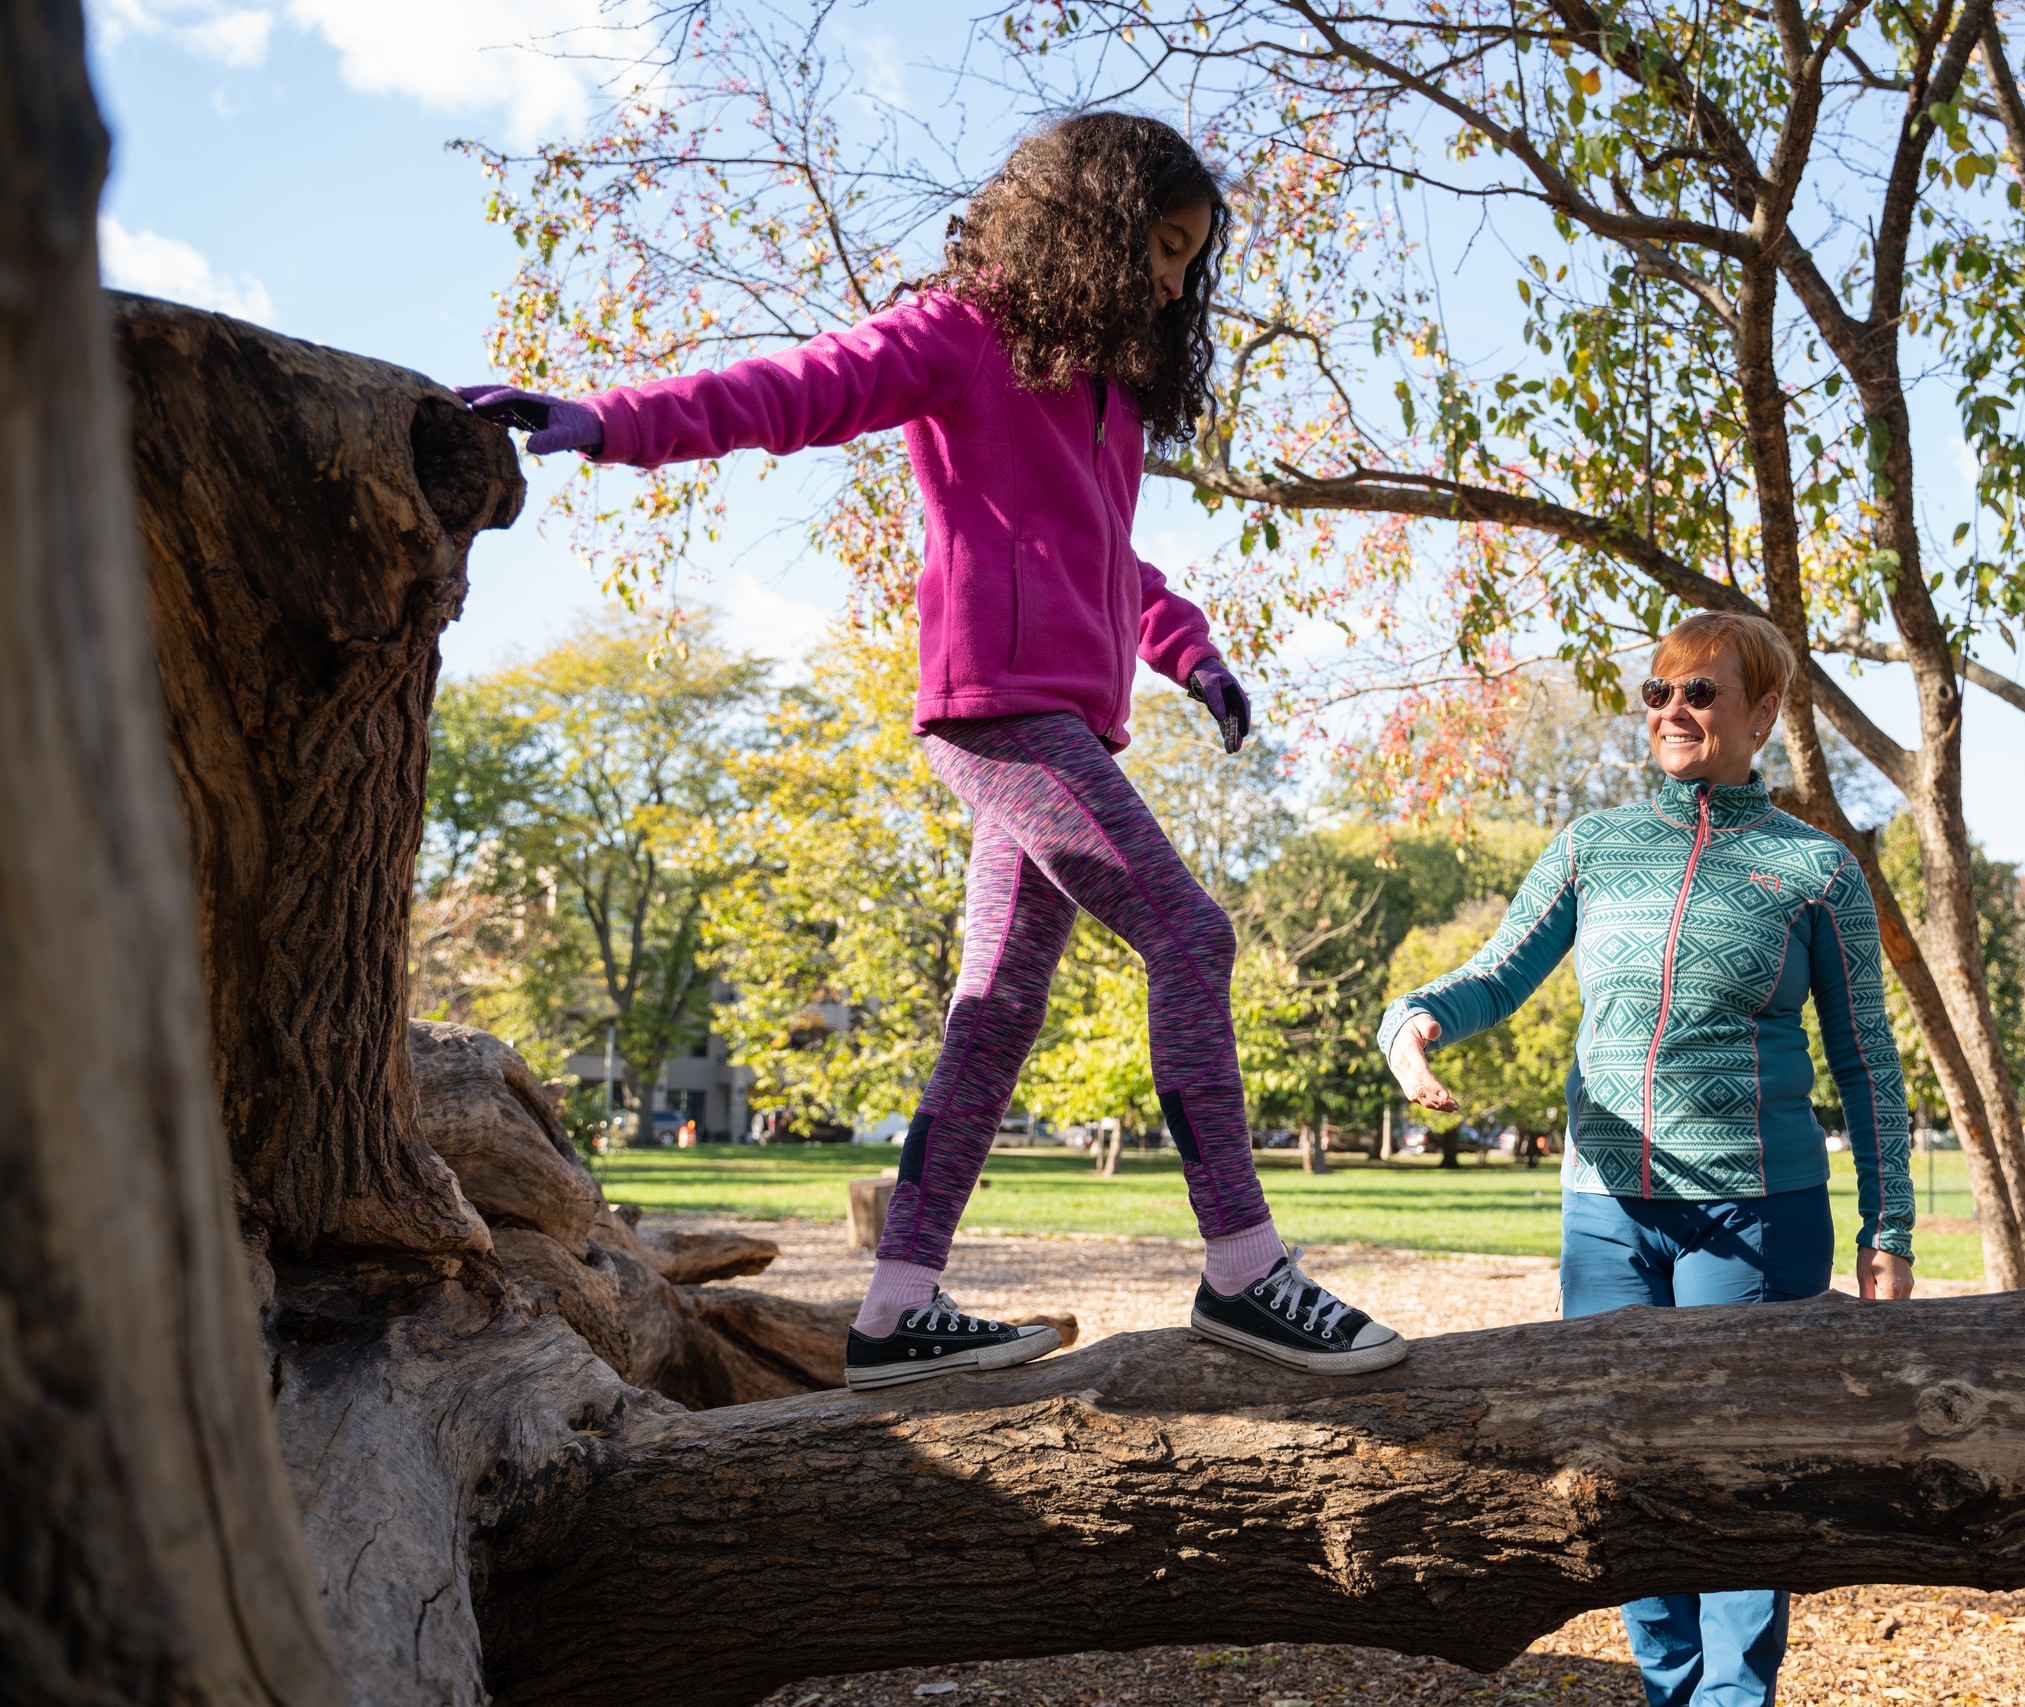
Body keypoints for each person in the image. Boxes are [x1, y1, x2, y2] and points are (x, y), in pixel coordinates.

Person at [456, 113, 1404, 1389]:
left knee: (997, 1008)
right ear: (1097, 225)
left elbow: (1110, 563)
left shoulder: (1109, 396)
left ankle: (898, 1303)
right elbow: (793, 391)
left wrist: (1193, 654)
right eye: (1164, 249)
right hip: (997, 712)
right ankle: (1246, 1272)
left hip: (1061, 722)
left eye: (1193, 259)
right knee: (1191, 936)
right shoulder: (962, 333)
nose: (1179, 282)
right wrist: (604, 420)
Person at [1379, 611, 1915, 1707]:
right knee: (1617, 1474)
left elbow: (1868, 1062)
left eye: (1702, 693)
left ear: (1763, 714)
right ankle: (1668, 1689)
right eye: (1659, 693)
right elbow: (1496, 972)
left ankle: (1731, 1699)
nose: (1674, 712)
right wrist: (1414, 1018)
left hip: (1759, 1212)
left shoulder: (1816, 869)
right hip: (1605, 1211)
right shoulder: (1593, 845)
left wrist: (1889, 1226)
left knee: (1740, 1478)